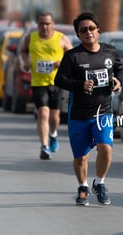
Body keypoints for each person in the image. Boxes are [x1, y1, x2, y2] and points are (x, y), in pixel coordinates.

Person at [54, 12, 123, 206]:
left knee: (106, 148)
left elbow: (119, 70)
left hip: (104, 111)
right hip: (79, 113)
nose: (88, 33)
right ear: (78, 34)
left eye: (91, 28)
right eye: (83, 30)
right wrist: (80, 85)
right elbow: (59, 80)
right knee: (81, 156)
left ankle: (99, 183)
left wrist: (118, 82)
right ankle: (83, 186)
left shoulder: (110, 52)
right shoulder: (72, 56)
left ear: (98, 30)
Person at [21, 12, 73, 160]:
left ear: (53, 24)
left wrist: (61, 63)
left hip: (57, 82)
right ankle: (44, 146)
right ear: (37, 25)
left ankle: (53, 134)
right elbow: (23, 51)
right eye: (41, 23)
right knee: (43, 113)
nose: (44, 26)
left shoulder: (61, 38)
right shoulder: (31, 38)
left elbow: (72, 56)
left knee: (54, 117)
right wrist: (25, 61)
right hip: (38, 82)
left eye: (47, 23)